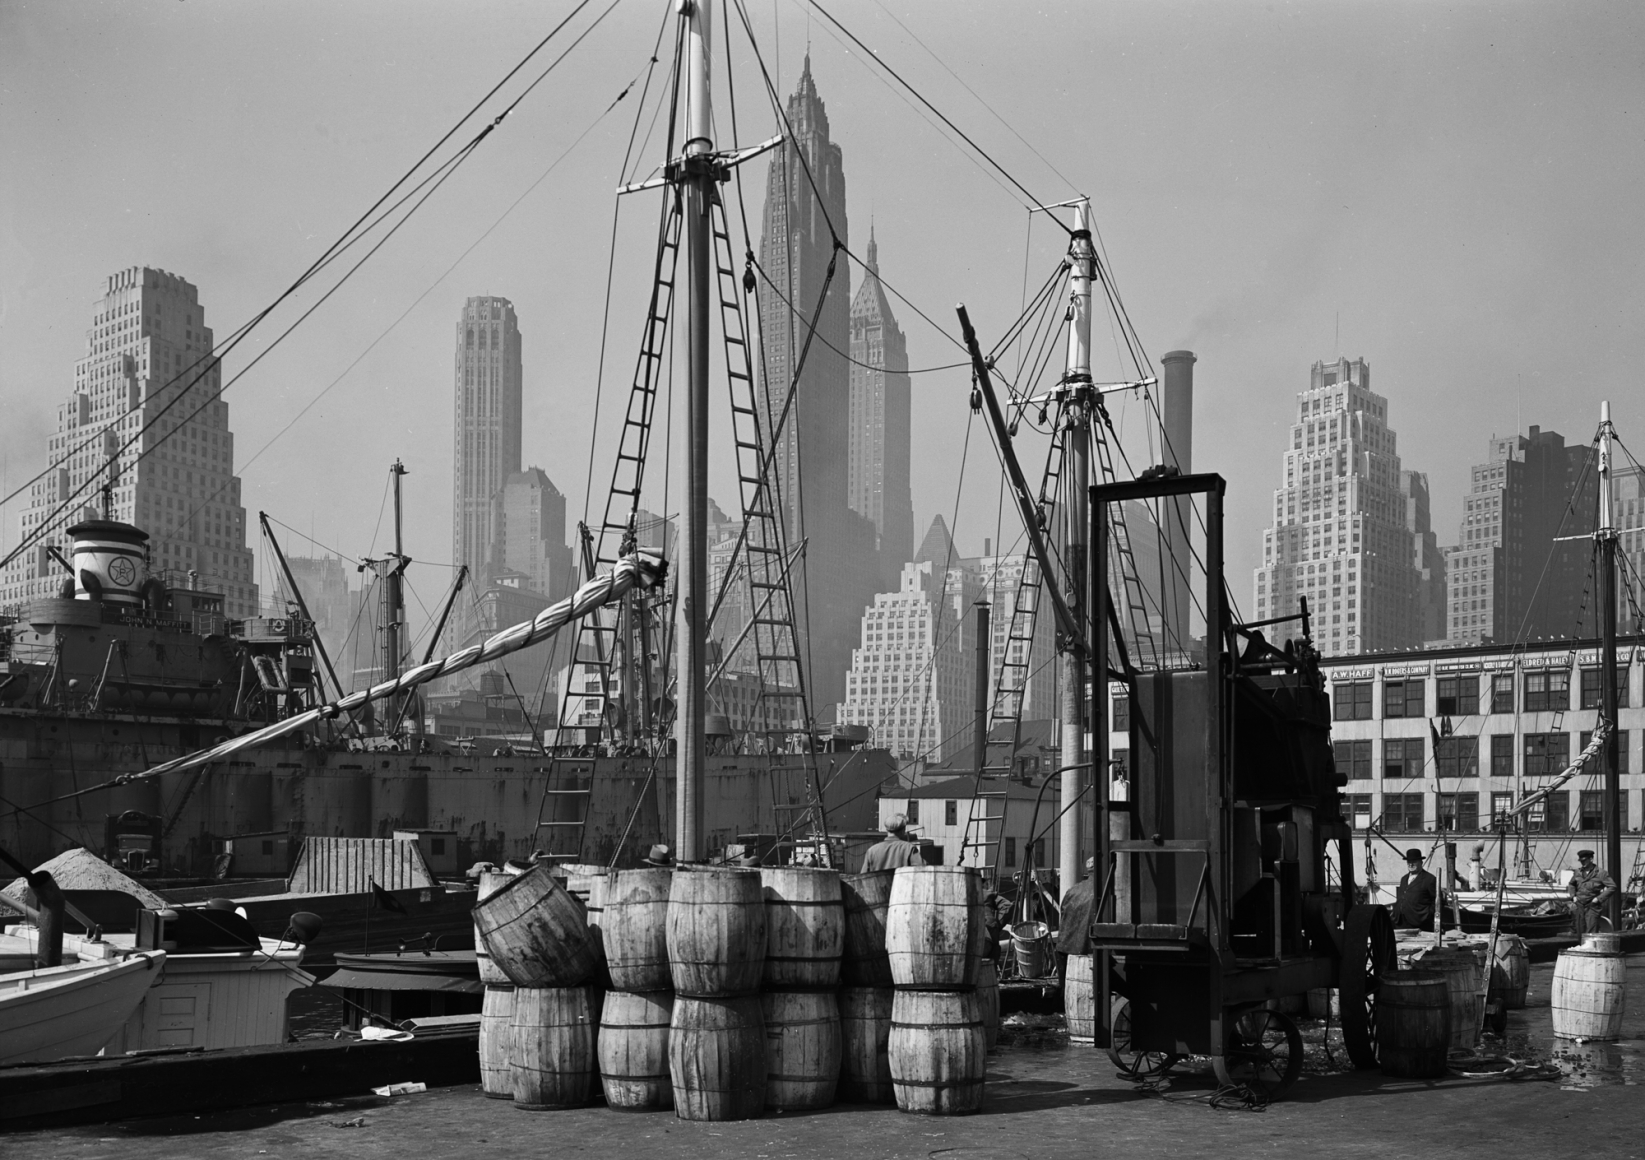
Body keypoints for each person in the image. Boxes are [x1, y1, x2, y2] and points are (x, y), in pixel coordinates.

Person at [1569, 849, 1617, 937]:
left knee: (1591, 931)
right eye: (1581, 861)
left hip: (1592, 906)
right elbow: (1571, 884)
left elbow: (1612, 887)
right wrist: (1573, 896)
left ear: (1591, 859)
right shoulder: (1577, 872)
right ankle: (1582, 948)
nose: (1582, 863)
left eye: (1584, 860)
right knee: (1580, 931)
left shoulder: (1601, 873)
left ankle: (1589, 949)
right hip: (1579, 905)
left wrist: (1598, 899)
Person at [1392, 848, 1438, 929]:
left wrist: (1427, 916)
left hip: (1419, 923)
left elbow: (1437, 901)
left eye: (1414, 862)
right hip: (1400, 922)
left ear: (1421, 862)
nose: (1411, 864)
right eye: (1409, 862)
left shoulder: (1429, 879)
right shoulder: (1404, 879)